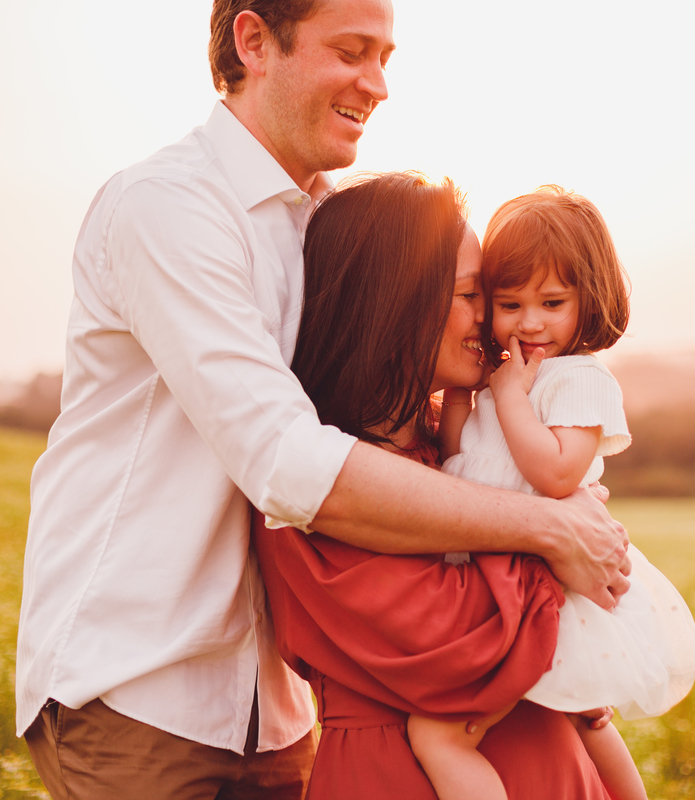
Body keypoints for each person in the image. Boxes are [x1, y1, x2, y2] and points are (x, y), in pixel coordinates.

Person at [16, 1, 630, 798]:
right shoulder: (169, 207)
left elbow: (381, 395)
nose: (376, 84)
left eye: (385, 57)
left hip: (276, 707)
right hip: (141, 684)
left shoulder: (336, 226)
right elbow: (287, 458)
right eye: (350, 51)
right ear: (254, 41)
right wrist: (548, 526)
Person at [255, 171, 617, 800]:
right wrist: (559, 542)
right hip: (395, 776)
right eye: (475, 294)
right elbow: (458, 639)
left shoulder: (458, 449)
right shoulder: (313, 486)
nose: (495, 319)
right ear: (398, 302)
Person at [408, 187, 695, 800]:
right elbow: (459, 456)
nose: (529, 322)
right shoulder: (507, 378)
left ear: (587, 300)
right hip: (496, 575)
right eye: (509, 304)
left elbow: (555, 474)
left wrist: (509, 397)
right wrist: (465, 395)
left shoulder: (577, 379)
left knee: (447, 732)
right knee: (579, 716)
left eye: (552, 303)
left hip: (547, 586)